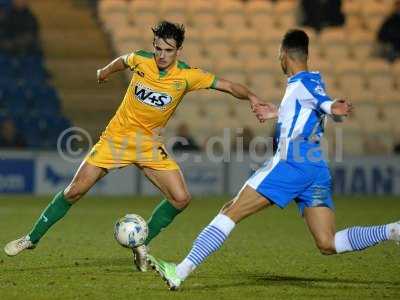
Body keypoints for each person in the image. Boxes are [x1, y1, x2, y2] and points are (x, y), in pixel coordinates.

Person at [4, 21, 270, 272]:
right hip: (115, 139)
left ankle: (142, 241)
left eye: (168, 50)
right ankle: (32, 237)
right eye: (158, 48)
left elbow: (228, 86)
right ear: (153, 45)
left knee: (181, 199)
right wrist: (104, 72)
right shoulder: (142, 59)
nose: (162, 55)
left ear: (178, 50)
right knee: (74, 191)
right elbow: (122, 61)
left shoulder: (187, 76)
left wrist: (253, 97)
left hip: (149, 145)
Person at [147, 29, 400, 290]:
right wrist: (278, 113)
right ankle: (392, 230)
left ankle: (180, 270)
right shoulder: (307, 82)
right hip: (315, 168)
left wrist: (334, 106)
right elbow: (309, 108)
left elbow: (323, 102)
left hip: (291, 163)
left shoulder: (304, 82)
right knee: (327, 242)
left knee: (230, 210)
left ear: (284, 54)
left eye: (279, 55)